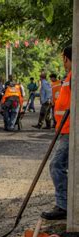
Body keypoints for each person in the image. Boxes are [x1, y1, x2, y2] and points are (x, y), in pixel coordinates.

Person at [41, 46, 72, 220]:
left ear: (66, 58)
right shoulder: (68, 77)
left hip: (69, 131)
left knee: (56, 165)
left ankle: (64, 205)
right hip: (64, 130)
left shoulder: (74, 76)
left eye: (63, 59)